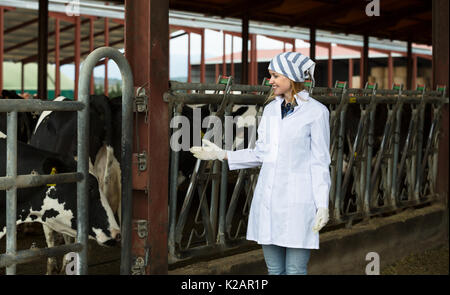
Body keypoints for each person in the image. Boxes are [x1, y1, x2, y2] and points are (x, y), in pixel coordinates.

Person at [190, 52, 331, 275]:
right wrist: (223, 155)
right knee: (274, 270)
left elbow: (320, 162)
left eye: (275, 75)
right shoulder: (271, 110)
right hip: (269, 200)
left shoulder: (316, 112)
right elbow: (262, 153)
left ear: (291, 76)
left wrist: (322, 203)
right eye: (271, 76)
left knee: (295, 269)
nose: (270, 81)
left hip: (299, 201)